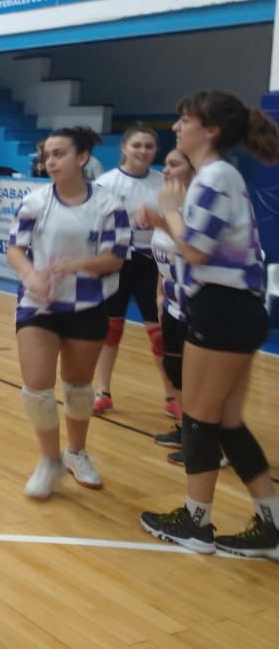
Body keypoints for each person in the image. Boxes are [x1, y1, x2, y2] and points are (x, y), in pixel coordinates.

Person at [139, 91, 279, 559]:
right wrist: (167, 218)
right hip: (235, 309)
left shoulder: (216, 176)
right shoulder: (218, 177)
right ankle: (272, 523)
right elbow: (199, 245)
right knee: (229, 423)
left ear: (211, 129)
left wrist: (168, 210)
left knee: (199, 419)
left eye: (185, 119)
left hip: (223, 309)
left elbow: (196, 251)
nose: (177, 127)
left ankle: (195, 523)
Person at [6, 126, 130, 499]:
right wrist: (31, 276)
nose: (50, 161)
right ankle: (49, 460)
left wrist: (74, 265)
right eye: (47, 155)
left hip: (87, 305)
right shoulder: (34, 202)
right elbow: (15, 249)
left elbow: (115, 258)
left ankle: (77, 453)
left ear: (82, 157)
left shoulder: (109, 205)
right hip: (38, 305)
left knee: (77, 390)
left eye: (59, 154)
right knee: (37, 391)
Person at [92, 123, 167, 417]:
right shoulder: (106, 183)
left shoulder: (163, 183)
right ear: (124, 147)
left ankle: (172, 396)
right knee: (110, 329)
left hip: (152, 262)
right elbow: (93, 222)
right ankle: (103, 392)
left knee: (160, 333)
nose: (143, 151)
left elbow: (175, 223)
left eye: (149, 146)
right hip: (116, 261)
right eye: (137, 145)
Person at [145, 149, 195, 466]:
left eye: (174, 164)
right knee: (175, 372)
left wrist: (167, 216)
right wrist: (160, 295)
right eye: (164, 164)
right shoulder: (170, 207)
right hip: (173, 304)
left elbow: (193, 251)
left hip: (197, 309)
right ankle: (187, 430)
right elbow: (163, 261)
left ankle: (209, 445)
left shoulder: (199, 208)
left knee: (197, 380)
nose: (165, 170)